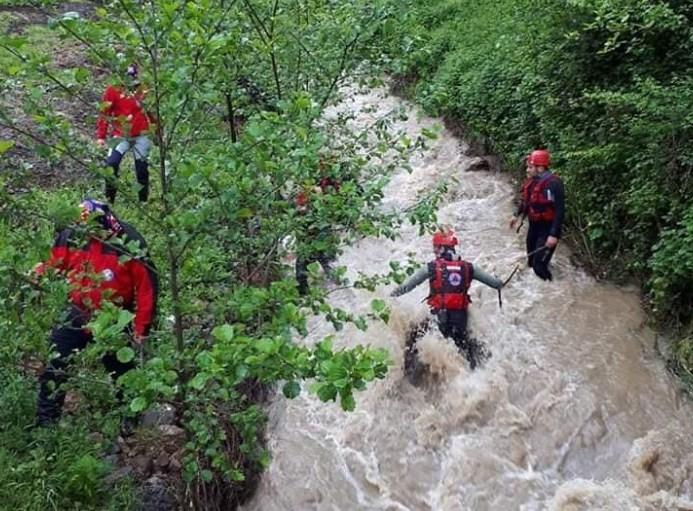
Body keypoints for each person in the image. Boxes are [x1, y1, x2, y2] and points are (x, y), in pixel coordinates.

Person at [34, 199, 158, 427]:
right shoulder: (73, 234)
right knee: (55, 363)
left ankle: (129, 421)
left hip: (114, 317)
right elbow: (56, 261)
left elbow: (146, 289)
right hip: (77, 312)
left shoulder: (129, 241)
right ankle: (46, 423)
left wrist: (142, 328)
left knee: (122, 372)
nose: (87, 234)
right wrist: (40, 271)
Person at [390, 230, 503, 369]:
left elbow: (407, 287)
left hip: (438, 318)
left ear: (441, 249)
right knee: (461, 349)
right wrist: (499, 281)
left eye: (436, 247)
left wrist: (390, 297)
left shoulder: (431, 268)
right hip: (461, 318)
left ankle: (411, 373)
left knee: (420, 343)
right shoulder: (469, 267)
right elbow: (495, 284)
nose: (434, 251)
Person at [96, 64, 156, 203]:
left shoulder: (143, 90)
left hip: (141, 135)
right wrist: (101, 136)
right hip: (121, 135)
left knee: (141, 170)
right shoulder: (112, 90)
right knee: (111, 164)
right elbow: (104, 113)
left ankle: (143, 202)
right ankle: (110, 201)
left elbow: (151, 112)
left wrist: (157, 131)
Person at [509, 149, 565, 281]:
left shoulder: (554, 184)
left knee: (538, 265)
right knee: (531, 261)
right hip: (534, 227)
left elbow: (560, 211)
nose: (527, 170)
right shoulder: (533, 181)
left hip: (548, 229)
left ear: (540, 167)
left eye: (530, 167)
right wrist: (516, 215)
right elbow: (527, 201)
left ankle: (551, 286)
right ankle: (534, 291)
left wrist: (554, 235)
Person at [294, 189, 339, 296]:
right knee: (302, 272)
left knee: (330, 268)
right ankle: (303, 295)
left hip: (320, 245)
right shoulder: (303, 212)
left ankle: (338, 290)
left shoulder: (319, 212)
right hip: (312, 246)